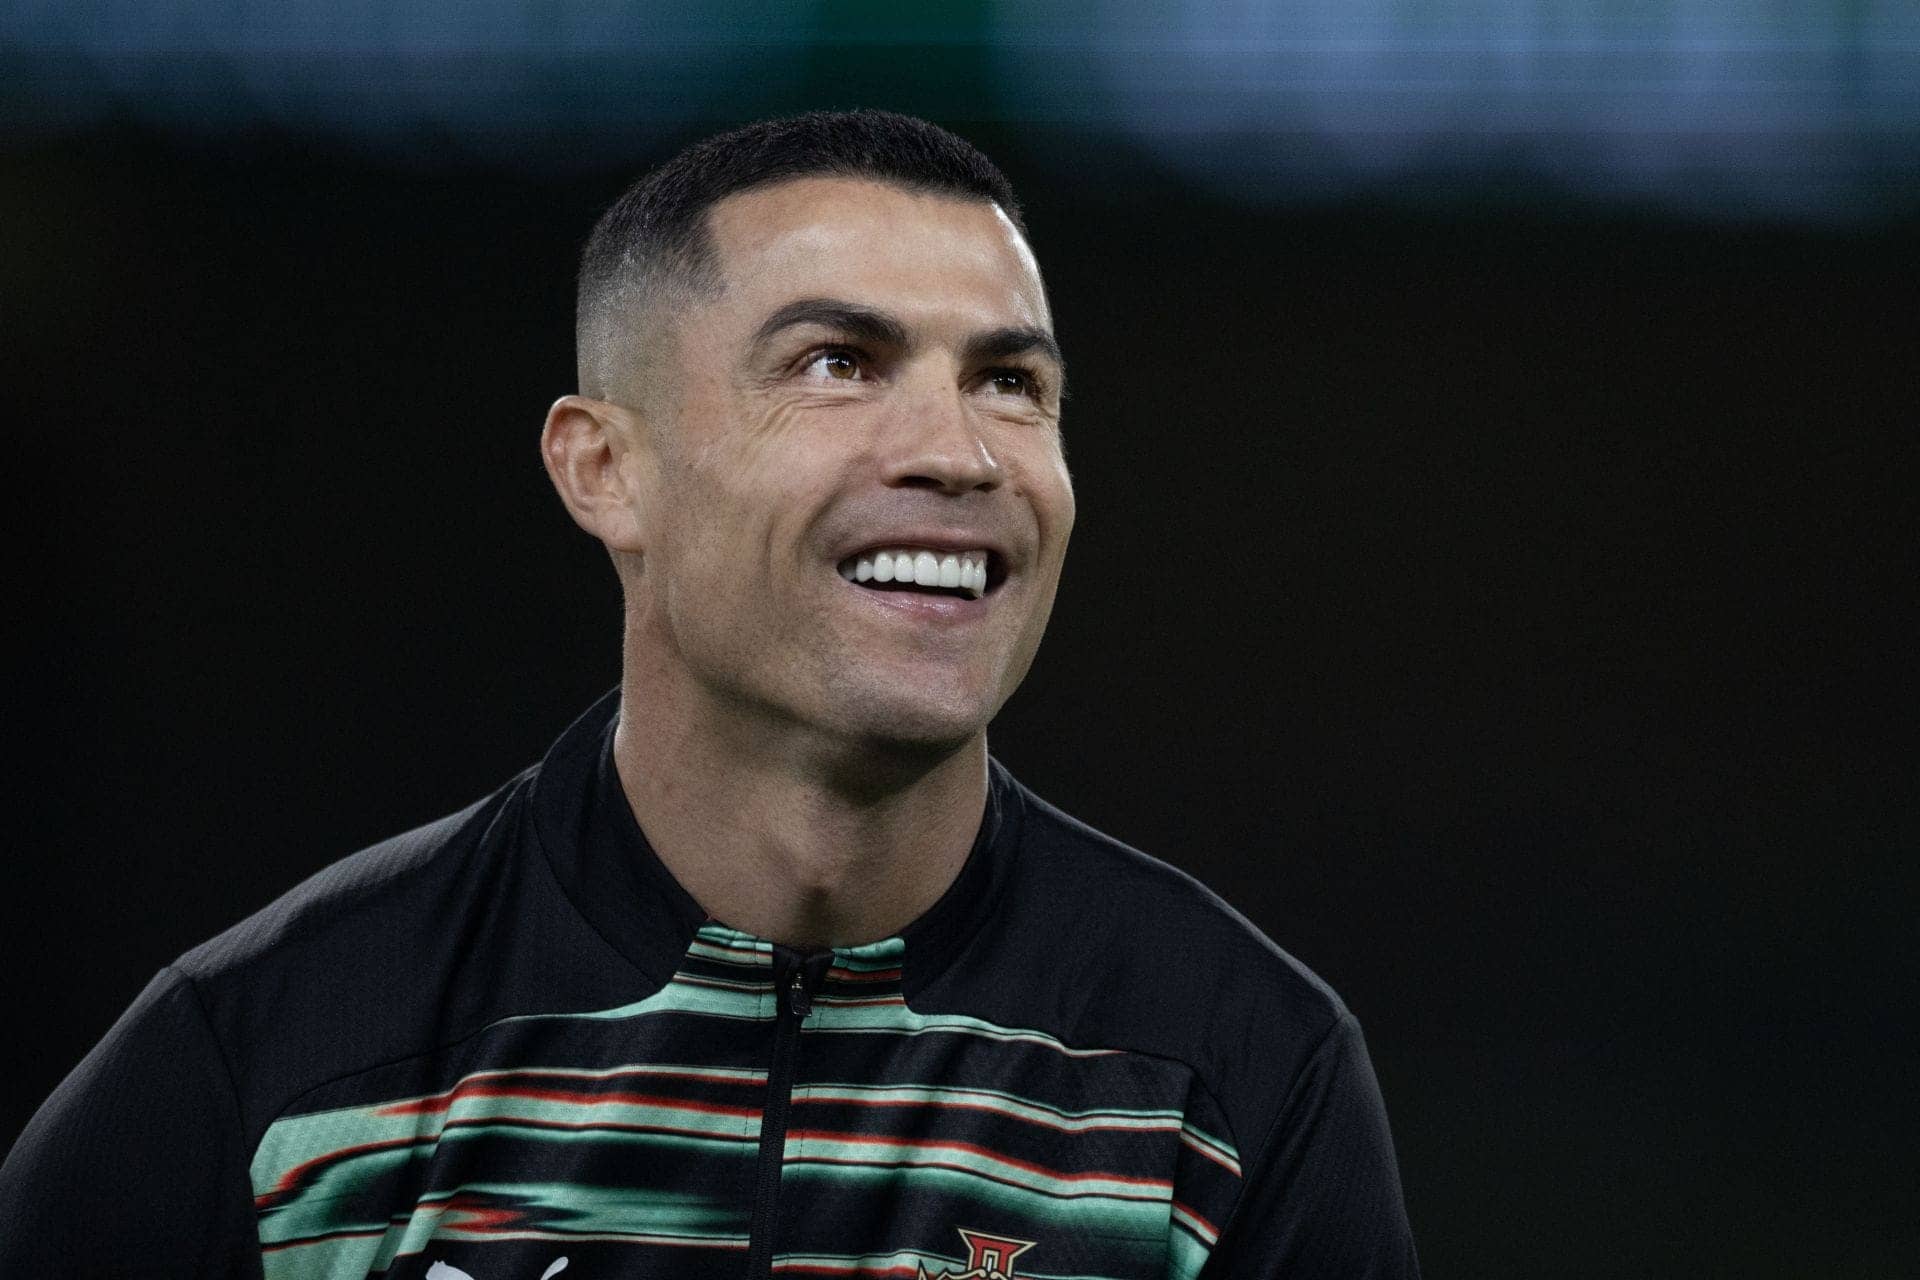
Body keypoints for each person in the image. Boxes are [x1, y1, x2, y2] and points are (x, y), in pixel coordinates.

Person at [0, 110, 1419, 1279]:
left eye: (1009, 382)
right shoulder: (270, 1070)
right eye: (837, 364)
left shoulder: (1234, 1082)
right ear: (605, 469)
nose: (958, 451)